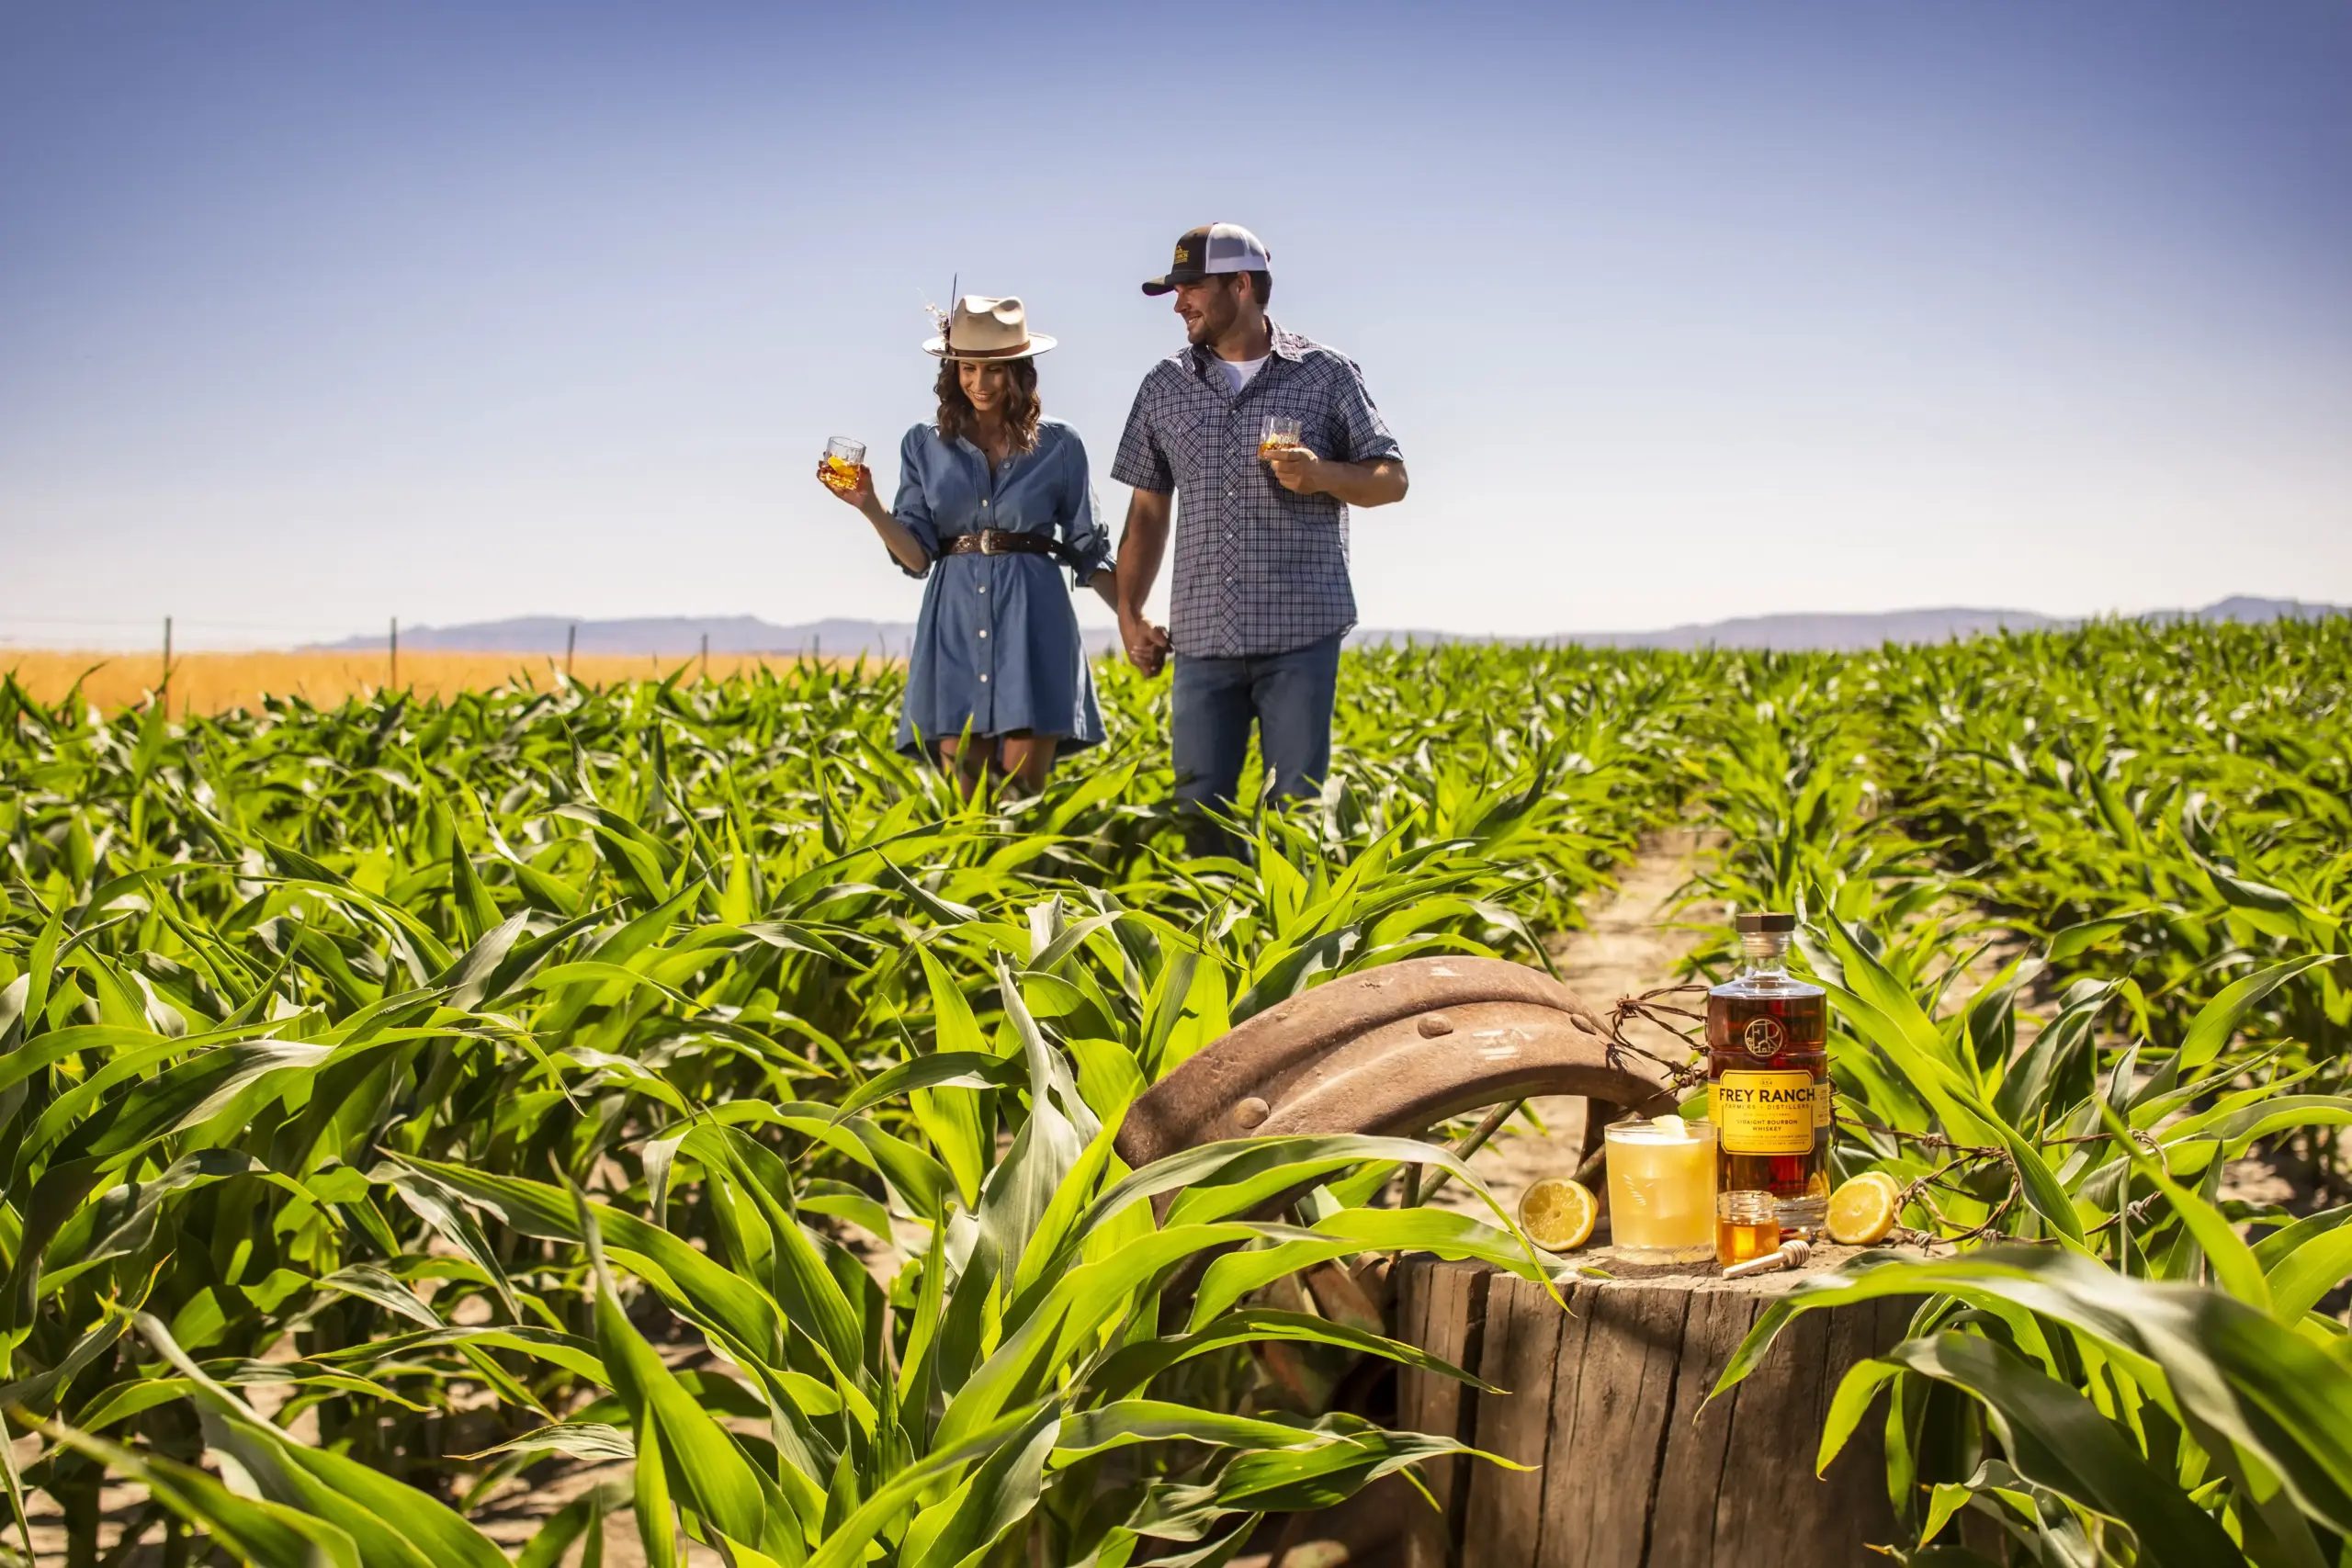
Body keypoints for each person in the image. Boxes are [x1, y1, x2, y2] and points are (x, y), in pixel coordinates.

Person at [1108, 223, 1408, 856]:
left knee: (1295, 822)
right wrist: (1130, 614)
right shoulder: (1163, 386)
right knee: (1197, 819)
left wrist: (1321, 473)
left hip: (1300, 636)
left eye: (1190, 288)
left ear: (1240, 285)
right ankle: (1213, 950)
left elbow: (1393, 478)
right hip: (1202, 639)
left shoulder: (1326, 374)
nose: (1179, 303)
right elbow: (1146, 513)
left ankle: (1291, 951)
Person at [820, 294, 1118, 795]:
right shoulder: (922, 444)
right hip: (953, 620)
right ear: (952, 368)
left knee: (1022, 798)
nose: (980, 383)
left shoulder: (1061, 444)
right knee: (966, 804)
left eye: (996, 369)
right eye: (968, 368)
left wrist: (1134, 619)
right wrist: (869, 505)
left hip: (1034, 620)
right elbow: (916, 557)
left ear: (1019, 370)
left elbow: (1088, 545)